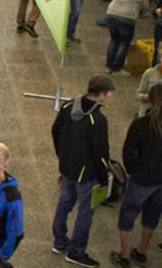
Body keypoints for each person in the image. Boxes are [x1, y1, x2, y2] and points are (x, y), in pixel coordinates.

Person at [51, 75, 114, 268]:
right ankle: (77, 252)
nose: (110, 96)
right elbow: (101, 153)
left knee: (64, 203)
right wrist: (104, 178)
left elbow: (55, 130)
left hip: (68, 167)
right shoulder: (98, 120)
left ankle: (59, 241)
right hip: (86, 174)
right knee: (85, 213)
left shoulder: (68, 106)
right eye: (109, 93)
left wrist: (62, 156)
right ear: (101, 94)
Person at [111, 84, 162, 267]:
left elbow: (128, 152)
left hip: (142, 179)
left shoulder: (141, 124)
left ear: (151, 99)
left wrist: (133, 171)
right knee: (152, 216)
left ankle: (124, 256)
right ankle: (141, 252)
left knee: (128, 215)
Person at [105, 0, 150, 76]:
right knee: (123, 43)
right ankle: (117, 69)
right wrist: (142, 13)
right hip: (127, 17)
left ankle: (109, 66)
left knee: (114, 40)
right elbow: (145, 6)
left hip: (111, 14)